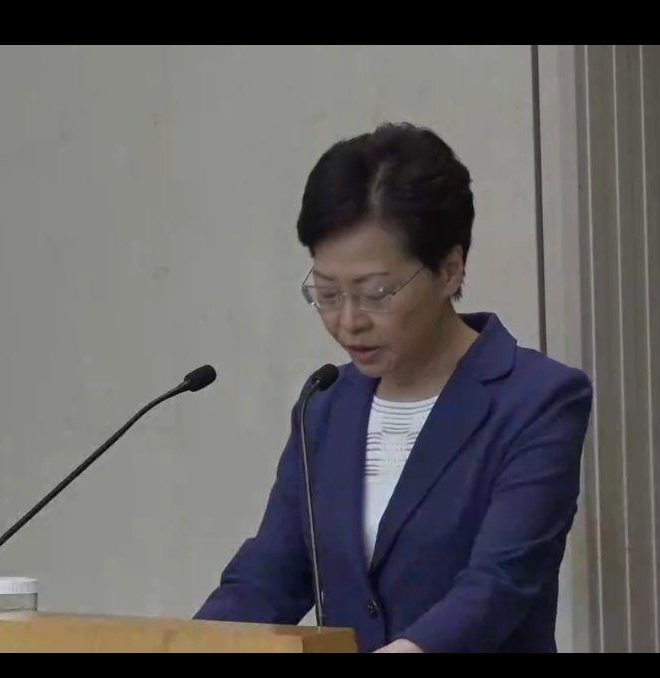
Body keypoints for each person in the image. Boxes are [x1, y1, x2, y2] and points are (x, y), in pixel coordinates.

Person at [194, 122, 593, 653]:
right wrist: (183, 643)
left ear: (449, 270)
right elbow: (269, 577)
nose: (348, 321)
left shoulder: (536, 399)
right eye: (328, 294)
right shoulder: (326, 407)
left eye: (376, 293)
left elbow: (500, 583)